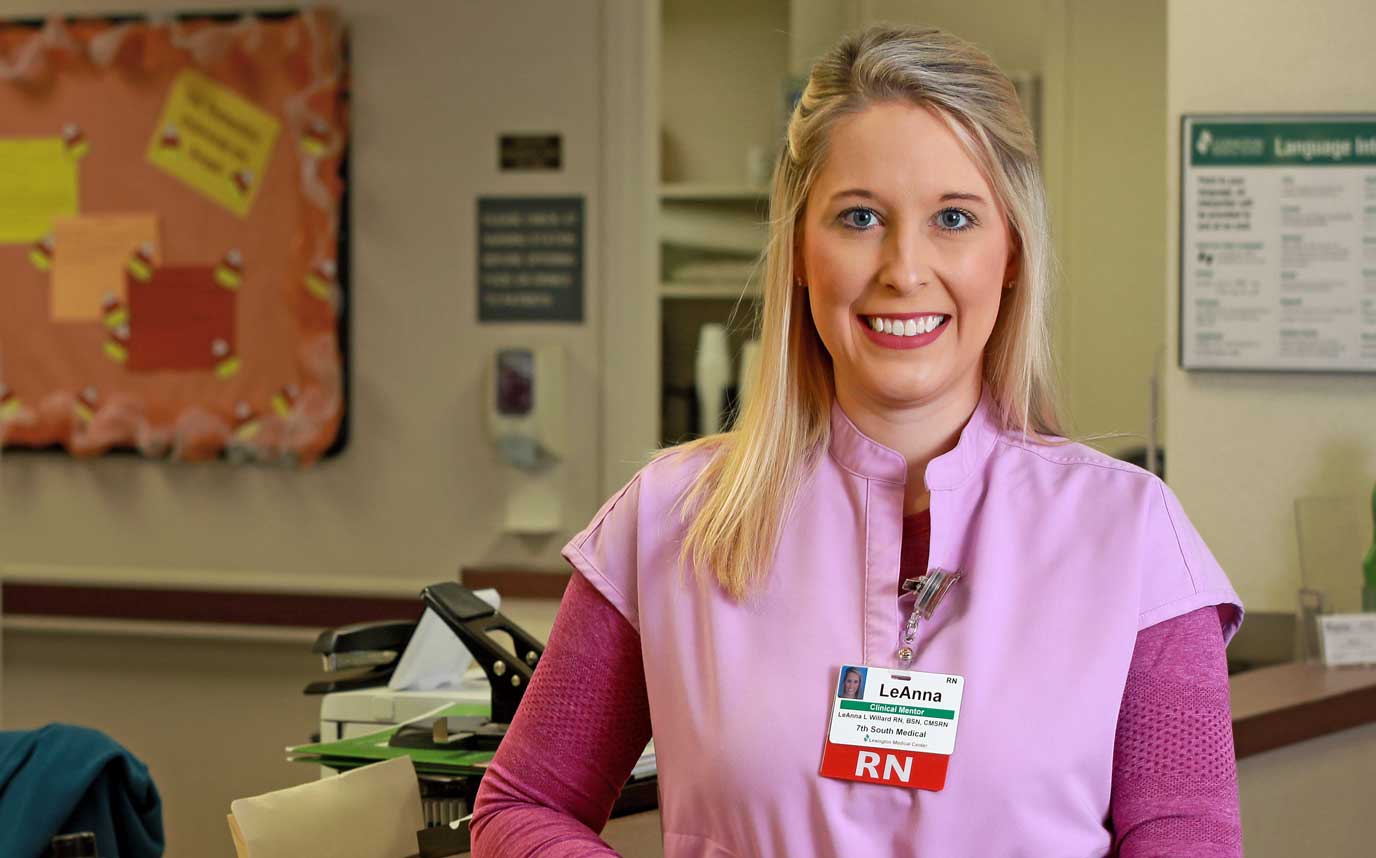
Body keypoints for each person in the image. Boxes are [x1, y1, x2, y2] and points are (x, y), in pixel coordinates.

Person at [471, 24, 1244, 858]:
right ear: (800, 248)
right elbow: (521, 808)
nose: (904, 270)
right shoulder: (669, 519)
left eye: (954, 217)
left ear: (1011, 251)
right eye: (860, 216)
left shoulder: (1131, 537)